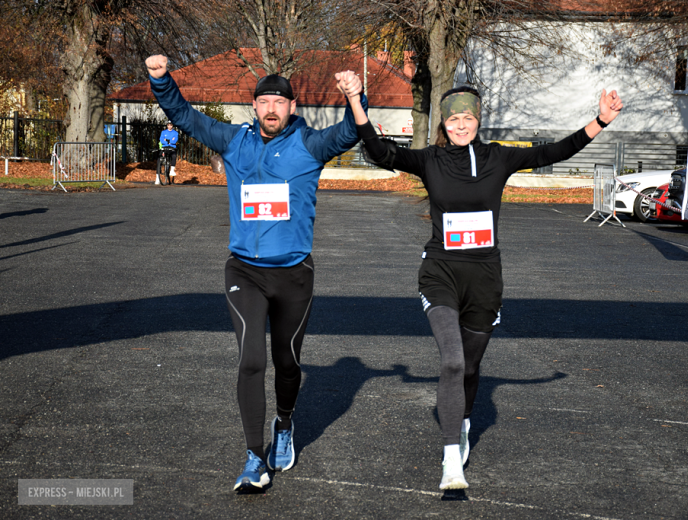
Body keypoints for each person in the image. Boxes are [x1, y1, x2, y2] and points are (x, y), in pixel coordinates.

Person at [336, 71, 622, 490]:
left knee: (469, 367)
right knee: (452, 360)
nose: (461, 126)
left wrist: (601, 121)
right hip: (440, 272)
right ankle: (451, 459)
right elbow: (380, 151)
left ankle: (463, 421)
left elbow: (555, 151)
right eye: (453, 120)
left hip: (485, 279)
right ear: (444, 123)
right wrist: (355, 100)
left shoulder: (498, 159)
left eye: (467, 118)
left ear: (478, 120)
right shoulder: (430, 160)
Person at [146, 55, 368, 492]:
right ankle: (254, 458)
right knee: (251, 359)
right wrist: (160, 79)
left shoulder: (309, 144)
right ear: (253, 106)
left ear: (292, 106)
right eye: (264, 101)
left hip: (294, 275)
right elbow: (184, 116)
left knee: (287, 362)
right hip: (245, 271)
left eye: (279, 102)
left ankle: (284, 422)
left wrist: (354, 97)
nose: (271, 109)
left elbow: (350, 132)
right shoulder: (234, 141)